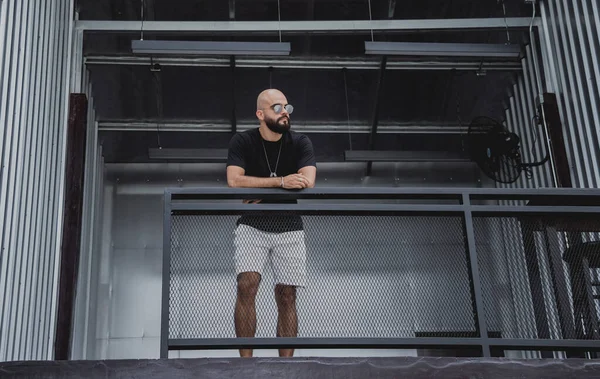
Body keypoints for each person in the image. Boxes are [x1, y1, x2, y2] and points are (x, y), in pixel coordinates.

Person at [226, 89, 316, 358]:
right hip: (252, 225)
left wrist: (260, 189)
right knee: (247, 285)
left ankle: (285, 367)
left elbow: (307, 180)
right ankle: (246, 364)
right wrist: (280, 182)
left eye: (287, 107)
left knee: (287, 294)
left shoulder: (300, 142)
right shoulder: (242, 141)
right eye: (277, 108)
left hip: (290, 227)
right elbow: (234, 181)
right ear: (260, 114)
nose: (284, 112)